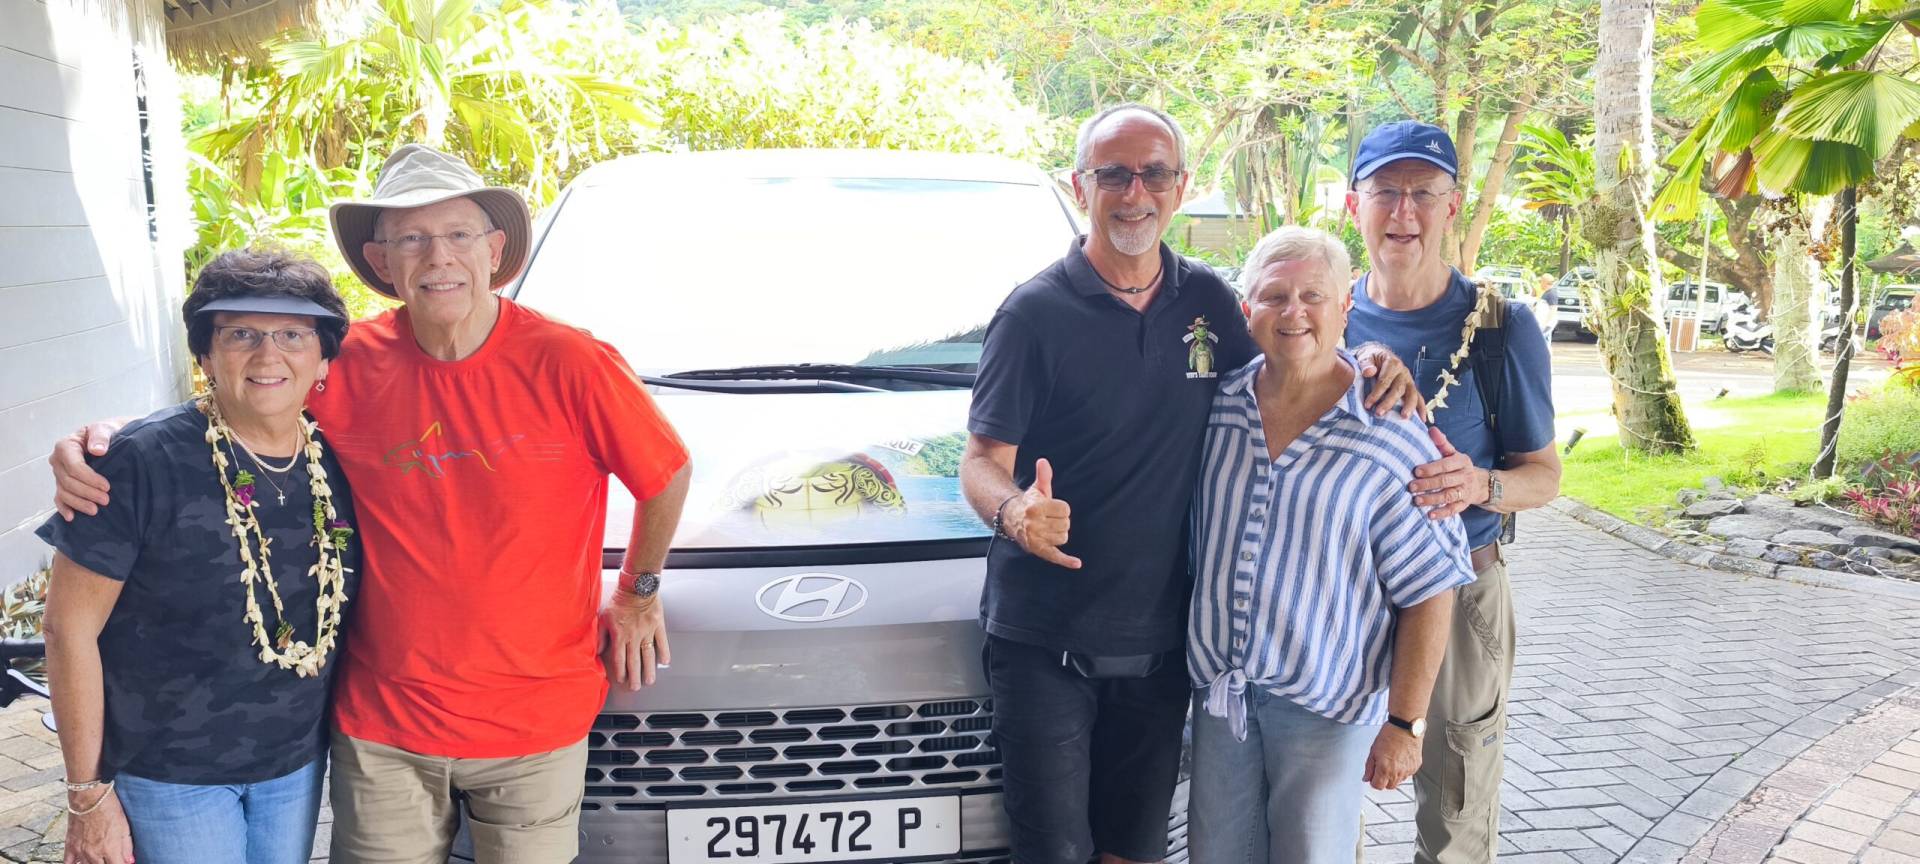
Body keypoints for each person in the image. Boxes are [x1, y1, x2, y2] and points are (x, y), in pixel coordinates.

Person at [50, 144, 693, 864]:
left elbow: (665, 472)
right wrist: (106, 439)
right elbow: (249, 395)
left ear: (495, 248)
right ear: (382, 261)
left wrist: (639, 588)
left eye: (457, 235)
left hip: (536, 724)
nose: (437, 257)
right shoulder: (346, 362)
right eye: (411, 239)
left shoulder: (570, 361)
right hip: (384, 727)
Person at [958, 104, 1419, 864]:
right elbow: (980, 458)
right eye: (1113, 173)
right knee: (1055, 853)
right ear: (1082, 187)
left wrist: (1370, 360)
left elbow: (1294, 340)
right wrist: (1013, 511)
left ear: (1180, 187)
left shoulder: (1208, 301)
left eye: (1154, 173)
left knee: (1135, 851)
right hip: (1045, 640)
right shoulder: (1032, 314)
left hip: (1163, 646)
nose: (1134, 192)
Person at [41, 249, 359, 864]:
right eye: (240, 334)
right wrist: (88, 795)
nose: (269, 356)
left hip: (292, 764)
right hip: (171, 771)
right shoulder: (138, 461)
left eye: (293, 334)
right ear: (206, 356)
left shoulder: (339, 457)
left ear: (322, 357)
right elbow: (66, 629)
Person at [1188, 225, 1473, 864]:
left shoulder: (1392, 432)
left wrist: (1405, 725)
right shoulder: (1217, 407)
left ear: (1345, 307)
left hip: (1326, 709)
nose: (1293, 312)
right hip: (1221, 696)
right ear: (1247, 312)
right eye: (1274, 297)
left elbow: (1431, 587)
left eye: (1313, 296)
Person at [1343, 120, 1563, 864]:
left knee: (1456, 806)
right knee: (1323, 797)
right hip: (1339, 599)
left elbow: (1544, 475)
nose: (1403, 212)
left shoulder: (1500, 327)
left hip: (1464, 591)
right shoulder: (1319, 316)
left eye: (1423, 194)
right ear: (1354, 206)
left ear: (1452, 206)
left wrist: (1480, 483)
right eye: (1386, 192)